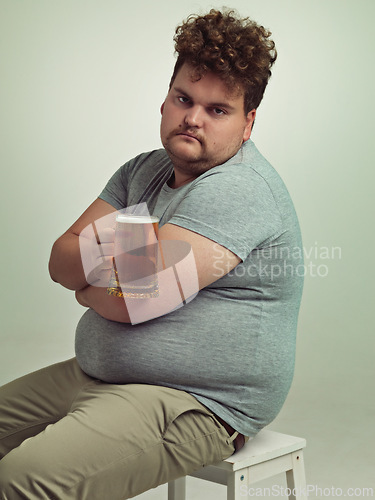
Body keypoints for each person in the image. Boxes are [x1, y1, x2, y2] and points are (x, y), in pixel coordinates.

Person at [0, 8, 304, 499]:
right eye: (183, 98)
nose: (192, 118)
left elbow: (132, 300)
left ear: (248, 123)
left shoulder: (239, 188)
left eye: (217, 110)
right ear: (165, 99)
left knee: (23, 479)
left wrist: (88, 284)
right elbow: (60, 259)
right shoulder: (142, 171)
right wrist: (117, 266)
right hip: (96, 378)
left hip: (196, 403)